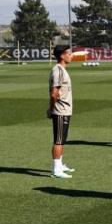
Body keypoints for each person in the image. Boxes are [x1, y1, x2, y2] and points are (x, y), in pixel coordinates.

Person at [47, 45, 75, 178]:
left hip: (65, 110)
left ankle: (60, 164)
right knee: (58, 140)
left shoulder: (62, 70)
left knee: (62, 139)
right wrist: (52, 109)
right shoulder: (57, 70)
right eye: (68, 53)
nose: (71, 56)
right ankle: (56, 170)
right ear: (62, 56)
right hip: (60, 111)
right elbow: (54, 94)